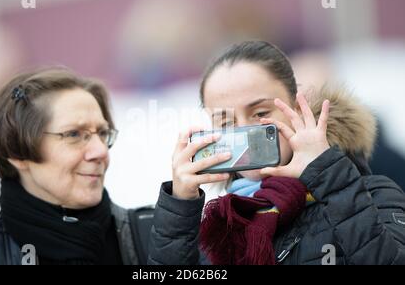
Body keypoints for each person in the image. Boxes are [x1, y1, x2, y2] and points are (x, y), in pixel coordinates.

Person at [148, 41, 405, 265]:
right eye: (226, 122)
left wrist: (327, 174)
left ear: (296, 107)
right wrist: (179, 210)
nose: (246, 132)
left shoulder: (373, 195)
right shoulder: (217, 227)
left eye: (260, 114)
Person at [0, 67, 153, 265]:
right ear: (18, 153)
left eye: (102, 133)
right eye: (74, 134)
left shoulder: (152, 237)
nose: (101, 151)